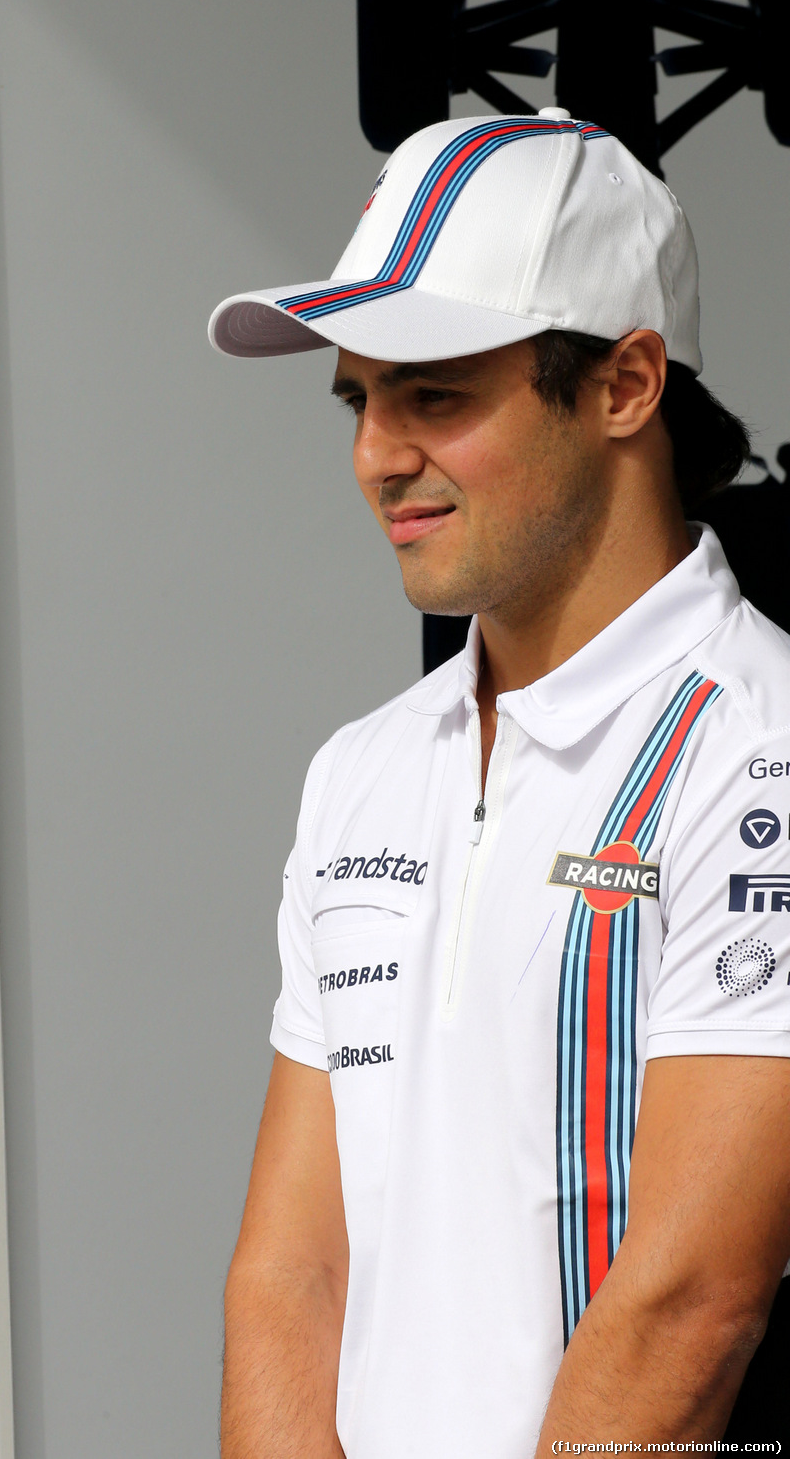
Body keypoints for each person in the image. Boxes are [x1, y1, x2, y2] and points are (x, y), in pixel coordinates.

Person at [209, 109, 790, 1457]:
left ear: (626, 385)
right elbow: (290, 1282)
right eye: (362, 398)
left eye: (437, 394)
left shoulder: (760, 749)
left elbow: (690, 1306)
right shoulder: (362, 772)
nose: (375, 456)